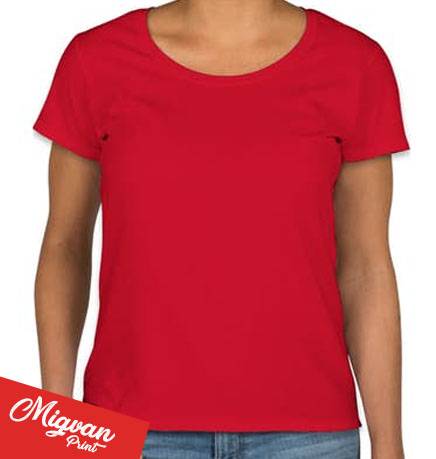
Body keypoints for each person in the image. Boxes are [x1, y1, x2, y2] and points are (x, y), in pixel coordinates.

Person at [33, 1, 409, 457]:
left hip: (308, 436)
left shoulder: (355, 64)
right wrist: (53, 427)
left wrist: (389, 444)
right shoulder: (95, 61)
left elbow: (366, 267)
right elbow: (65, 245)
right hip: (131, 431)